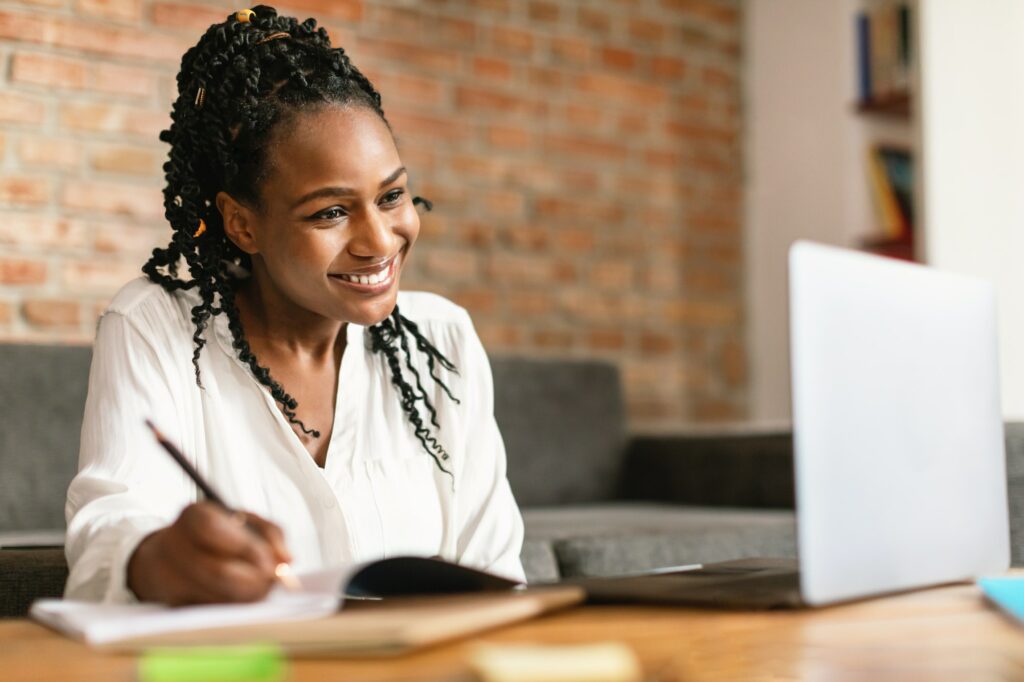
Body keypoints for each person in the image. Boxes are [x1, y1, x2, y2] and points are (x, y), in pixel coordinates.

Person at [64, 5, 525, 606]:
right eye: (331, 212)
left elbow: (496, 575)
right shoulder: (155, 327)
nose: (380, 241)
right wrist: (152, 559)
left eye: (391, 196)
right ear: (241, 224)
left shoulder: (446, 339)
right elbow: (108, 532)